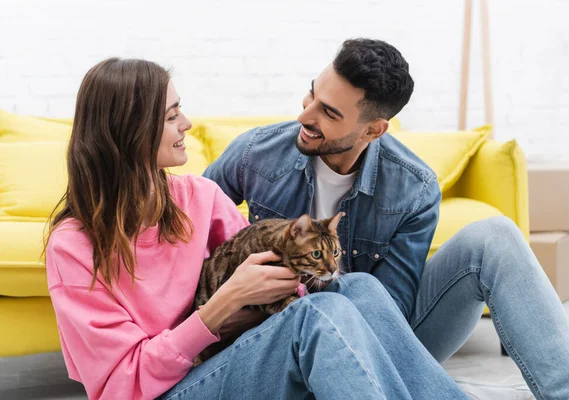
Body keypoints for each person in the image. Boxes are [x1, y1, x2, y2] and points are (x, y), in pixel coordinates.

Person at [44, 57, 472, 400]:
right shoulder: (73, 248)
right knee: (315, 317)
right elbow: (123, 386)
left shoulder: (198, 197)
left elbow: (279, 283)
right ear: (129, 130)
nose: (187, 124)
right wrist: (223, 304)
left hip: (227, 361)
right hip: (169, 388)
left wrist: (280, 286)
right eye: (173, 115)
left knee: (358, 288)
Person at [203, 38, 569, 399]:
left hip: (386, 336)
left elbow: (390, 310)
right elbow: (184, 236)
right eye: (311, 94)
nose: (305, 116)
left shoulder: (414, 187)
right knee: (353, 289)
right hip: (278, 333)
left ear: (373, 130)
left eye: (327, 112)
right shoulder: (256, 152)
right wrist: (221, 307)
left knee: (490, 238)